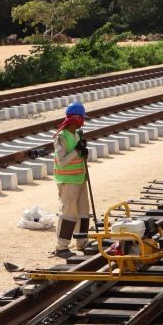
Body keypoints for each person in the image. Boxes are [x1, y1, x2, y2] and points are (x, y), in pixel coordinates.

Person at [52, 102, 91, 258]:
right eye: (82, 118)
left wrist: (83, 152)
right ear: (76, 118)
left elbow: (77, 155)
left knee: (83, 212)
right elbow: (62, 161)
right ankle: (61, 247)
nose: (83, 121)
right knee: (68, 213)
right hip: (67, 181)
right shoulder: (61, 137)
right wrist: (77, 150)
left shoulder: (76, 134)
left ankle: (81, 241)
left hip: (80, 178)